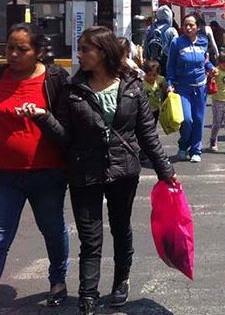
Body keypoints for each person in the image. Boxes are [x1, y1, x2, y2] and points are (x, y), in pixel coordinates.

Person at [21, 26, 176, 315]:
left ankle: (121, 280)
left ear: (103, 53)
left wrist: (165, 171)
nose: (79, 56)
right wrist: (43, 117)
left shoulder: (131, 85)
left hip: (123, 170)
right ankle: (88, 294)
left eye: (84, 50)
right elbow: (64, 136)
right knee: (90, 237)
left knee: (120, 228)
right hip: (84, 171)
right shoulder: (73, 89)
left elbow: (147, 135)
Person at [0, 24, 70, 307]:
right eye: (9, 48)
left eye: (22, 49)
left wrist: (42, 115)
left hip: (47, 173)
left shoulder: (55, 79)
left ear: (39, 52)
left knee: (52, 228)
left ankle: (58, 279)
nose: (13, 54)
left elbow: (67, 128)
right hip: (5, 174)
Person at [167, 12, 217, 163]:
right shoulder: (176, 43)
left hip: (200, 88)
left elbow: (205, 61)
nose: (188, 28)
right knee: (187, 120)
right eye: (185, 25)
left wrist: (211, 68)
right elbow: (171, 66)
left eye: (191, 25)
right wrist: (169, 84)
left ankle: (196, 150)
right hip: (182, 88)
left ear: (198, 27)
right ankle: (183, 146)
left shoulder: (203, 41)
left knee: (198, 120)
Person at [143, 5, 179, 73]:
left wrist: (147, 59)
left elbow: (145, 47)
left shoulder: (150, 29)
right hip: (167, 64)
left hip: (152, 64)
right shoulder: (171, 30)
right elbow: (176, 48)